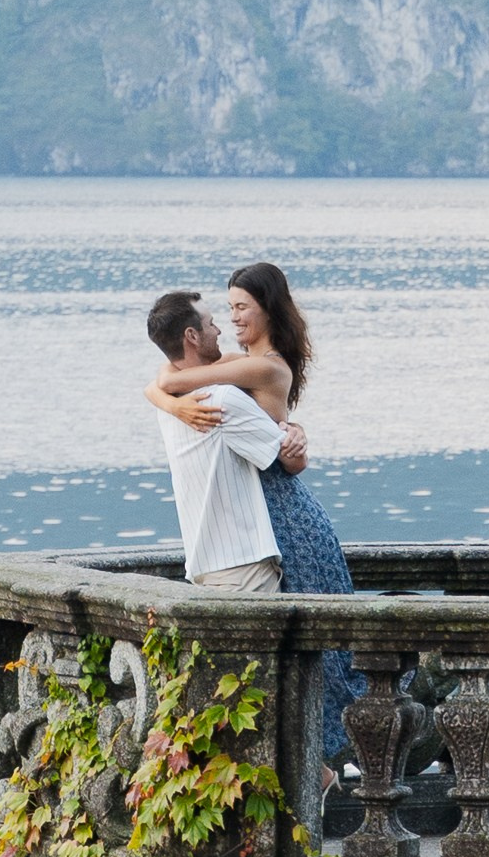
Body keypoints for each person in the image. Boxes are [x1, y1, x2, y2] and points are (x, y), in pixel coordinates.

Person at [144, 264, 361, 745]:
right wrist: (168, 402)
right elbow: (169, 374)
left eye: (242, 307)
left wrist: (165, 399)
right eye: (226, 310)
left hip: (281, 512)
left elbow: (171, 376)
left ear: (268, 308)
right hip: (256, 510)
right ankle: (319, 764)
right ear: (194, 334)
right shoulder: (228, 369)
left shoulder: (259, 366)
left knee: (316, 650)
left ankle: (323, 760)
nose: (231, 319)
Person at [141, 289, 287, 590]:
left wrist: (169, 402)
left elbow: (159, 383)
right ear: (192, 336)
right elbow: (290, 458)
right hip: (245, 566)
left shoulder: (170, 404)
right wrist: (294, 433)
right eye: (211, 323)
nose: (220, 329)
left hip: (204, 564)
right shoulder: (222, 399)